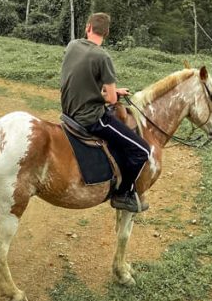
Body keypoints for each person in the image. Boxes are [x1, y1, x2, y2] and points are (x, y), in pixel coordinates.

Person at [60, 12, 151, 213]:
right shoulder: (103, 57)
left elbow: (82, 80)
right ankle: (123, 193)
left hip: (68, 112)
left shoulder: (73, 45)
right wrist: (113, 94)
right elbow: (110, 100)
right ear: (107, 33)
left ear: (88, 27)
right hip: (91, 118)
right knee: (142, 150)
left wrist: (111, 91)